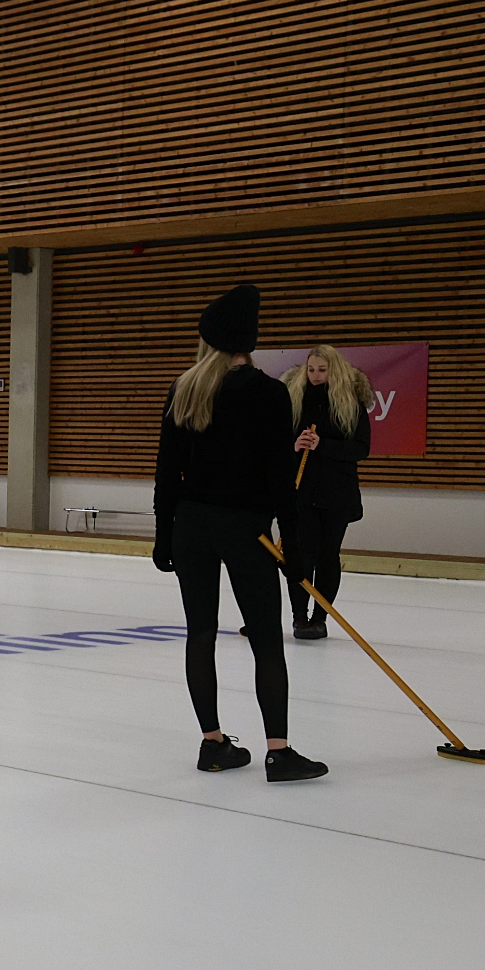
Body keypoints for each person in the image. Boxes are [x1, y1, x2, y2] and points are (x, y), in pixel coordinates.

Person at [151, 284, 327, 783]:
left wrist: (164, 534)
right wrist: (294, 547)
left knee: (200, 633)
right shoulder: (269, 393)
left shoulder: (185, 389)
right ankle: (279, 752)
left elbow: (166, 472)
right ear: (249, 341)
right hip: (246, 529)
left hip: (191, 527)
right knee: (266, 639)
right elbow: (280, 480)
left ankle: (213, 744)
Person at [281, 346, 374, 640]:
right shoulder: (294, 399)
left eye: (322, 370)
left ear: (334, 370)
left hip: (337, 493)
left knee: (327, 556)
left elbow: (361, 448)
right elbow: (277, 445)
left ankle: (319, 618)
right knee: (301, 555)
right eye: (311, 370)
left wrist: (324, 445)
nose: (316, 375)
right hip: (301, 493)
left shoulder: (351, 403)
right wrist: (294, 446)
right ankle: (299, 617)